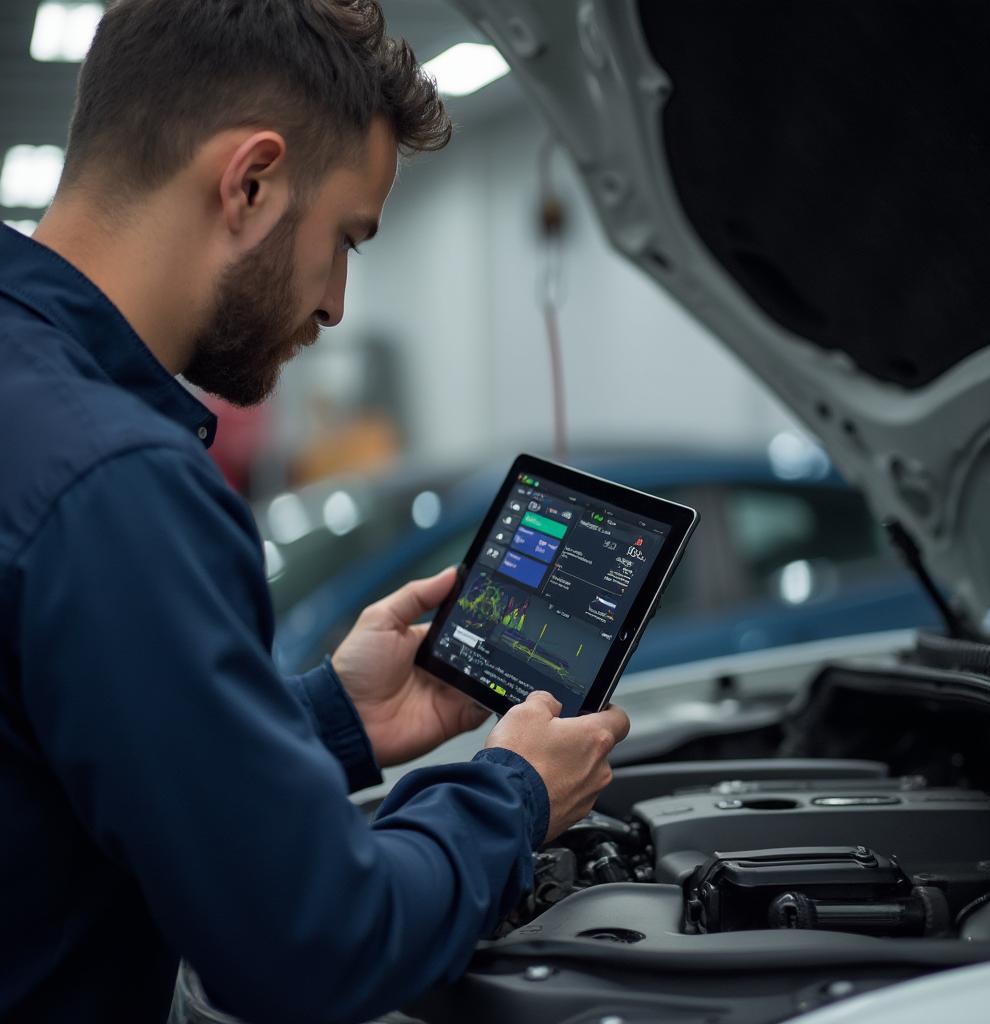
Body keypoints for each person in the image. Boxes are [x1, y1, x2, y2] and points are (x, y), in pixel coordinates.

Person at [0, 1, 631, 1022]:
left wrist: (332, 718)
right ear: (249, 182)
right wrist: (510, 793)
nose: (336, 302)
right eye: (347, 238)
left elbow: (66, 771)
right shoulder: (117, 481)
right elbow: (312, 943)